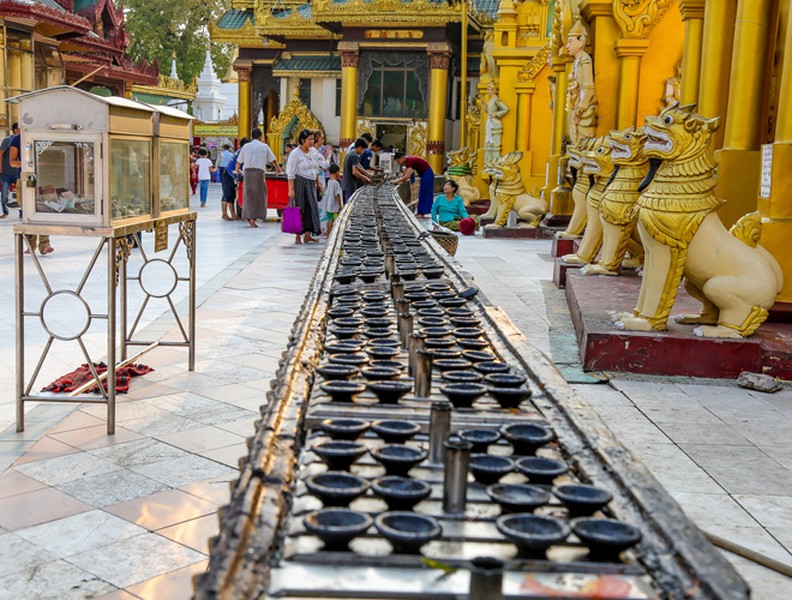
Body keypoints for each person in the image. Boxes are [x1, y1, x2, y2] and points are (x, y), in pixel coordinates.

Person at [8, 132, 53, 254]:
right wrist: (30, 164)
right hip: (24, 179)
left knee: (44, 210)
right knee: (28, 213)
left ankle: (44, 244)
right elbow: (12, 162)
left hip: (43, 178)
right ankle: (31, 244)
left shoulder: (42, 136)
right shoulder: (17, 139)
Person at [235, 128, 281, 228]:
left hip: (247, 173)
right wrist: (278, 169)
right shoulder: (264, 146)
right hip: (259, 172)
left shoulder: (246, 146)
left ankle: (249, 216)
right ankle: (254, 217)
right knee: (259, 195)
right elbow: (273, 159)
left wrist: (237, 170)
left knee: (248, 195)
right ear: (261, 136)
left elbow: (239, 161)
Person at [286, 129, 322, 244]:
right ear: (303, 140)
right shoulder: (295, 154)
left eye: (313, 139)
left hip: (311, 182)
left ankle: (308, 234)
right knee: (300, 207)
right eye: (309, 139)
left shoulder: (314, 152)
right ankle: (297, 235)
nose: (312, 142)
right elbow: (291, 173)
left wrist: (317, 183)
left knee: (312, 207)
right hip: (299, 181)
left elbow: (315, 169)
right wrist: (291, 189)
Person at [393, 151, 434, 217]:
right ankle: (422, 211)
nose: (399, 163)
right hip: (425, 174)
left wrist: (396, 181)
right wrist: (401, 180)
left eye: (398, 161)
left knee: (424, 193)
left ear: (402, 158)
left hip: (427, 174)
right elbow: (408, 173)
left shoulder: (409, 160)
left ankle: (422, 212)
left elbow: (407, 176)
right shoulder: (408, 160)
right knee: (423, 192)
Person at [342, 138, 371, 205]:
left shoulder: (351, 152)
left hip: (345, 184)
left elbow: (358, 165)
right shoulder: (355, 155)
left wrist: (368, 175)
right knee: (349, 205)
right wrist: (365, 178)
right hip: (349, 185)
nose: (363, 152)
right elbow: (354, 172)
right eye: (363, 150)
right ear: (360, 148)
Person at [0, 122, 19, 218]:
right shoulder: (7, 140)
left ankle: (22, 213)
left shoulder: (22, 139)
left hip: (18, 173)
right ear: (15, 130)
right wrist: (0, 168)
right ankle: (5, 212)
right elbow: (0, 153)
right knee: (4, 194)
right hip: (6, 172)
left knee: (21, 193)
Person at [226, 137, 249, 219]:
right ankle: (230, 215)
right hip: (229, 174)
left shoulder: (240, 151)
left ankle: (233, 214)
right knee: (229, 195)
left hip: (232, 173)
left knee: (232, 194)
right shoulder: (242, 152)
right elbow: (239, 164)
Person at [215, 143, 237, 220]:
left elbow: (217, 162)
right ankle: (230, 214)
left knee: (225, 189)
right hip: (230, 171)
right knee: (229, 191)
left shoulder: (221, 154)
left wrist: (215, 168)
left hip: (222, 170)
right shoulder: (232, 154)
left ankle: (228, 214)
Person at [323, 163, 343, 236]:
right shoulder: (336, 183)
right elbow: (337, 195)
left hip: (328, 205)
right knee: (333, 220)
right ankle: (331, 235)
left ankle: (328, 233)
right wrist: (339, 205)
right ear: (337, 172)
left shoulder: (329, 181)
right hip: (334, 206)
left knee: (329, 219)